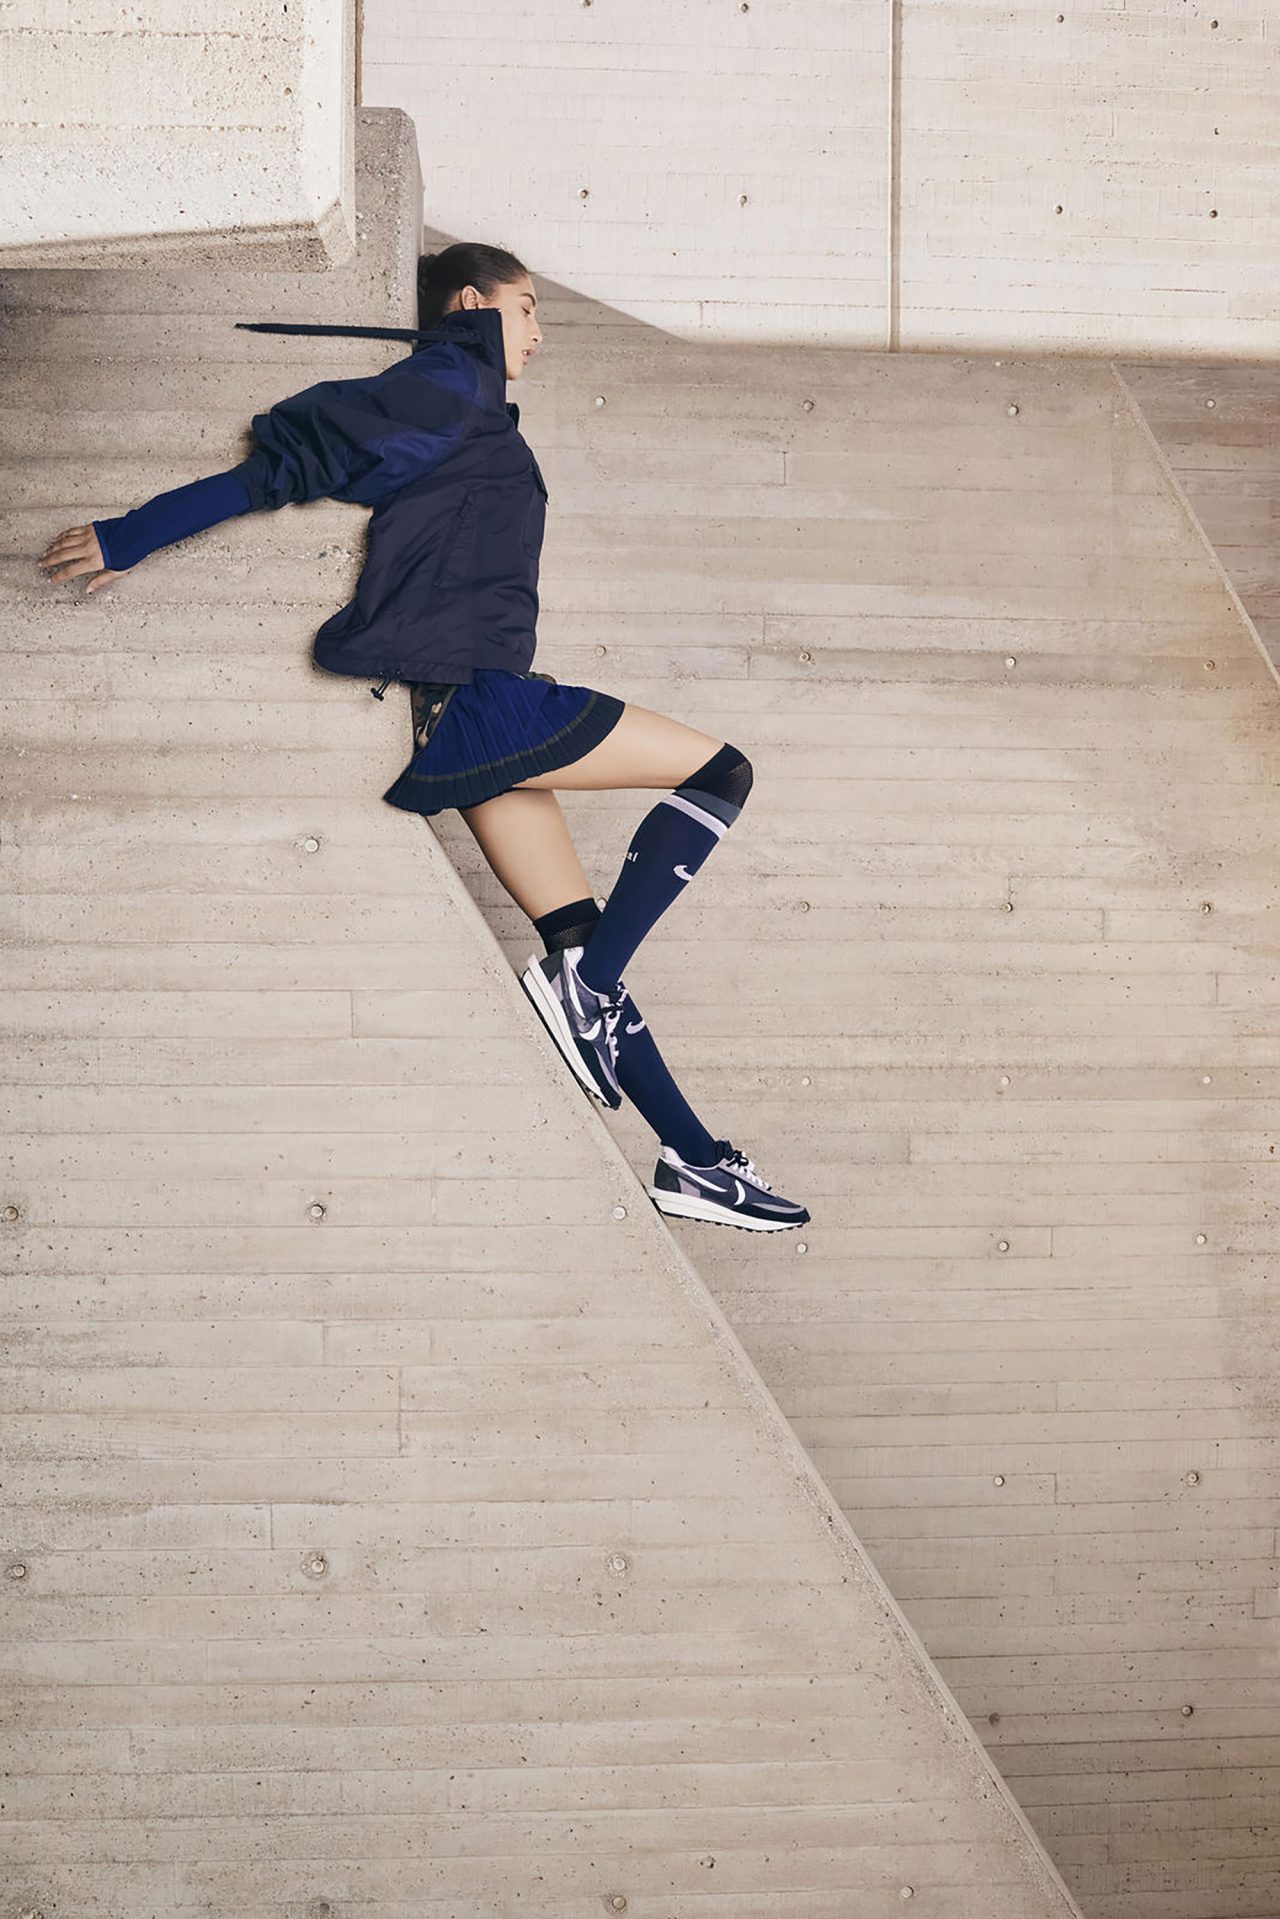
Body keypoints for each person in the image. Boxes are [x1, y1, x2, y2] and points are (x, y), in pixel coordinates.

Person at [35, 240, 809, 1232]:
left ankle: (691, 1158)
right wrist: (130, 534)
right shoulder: (447, 385)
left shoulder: (467, 400)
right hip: (486, 697)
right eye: (527, 308)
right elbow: (288, 467)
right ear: (472, 302)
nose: (539, 331)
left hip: (474, 708)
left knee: (579, 942)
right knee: (720, 774)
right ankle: (591, 993)